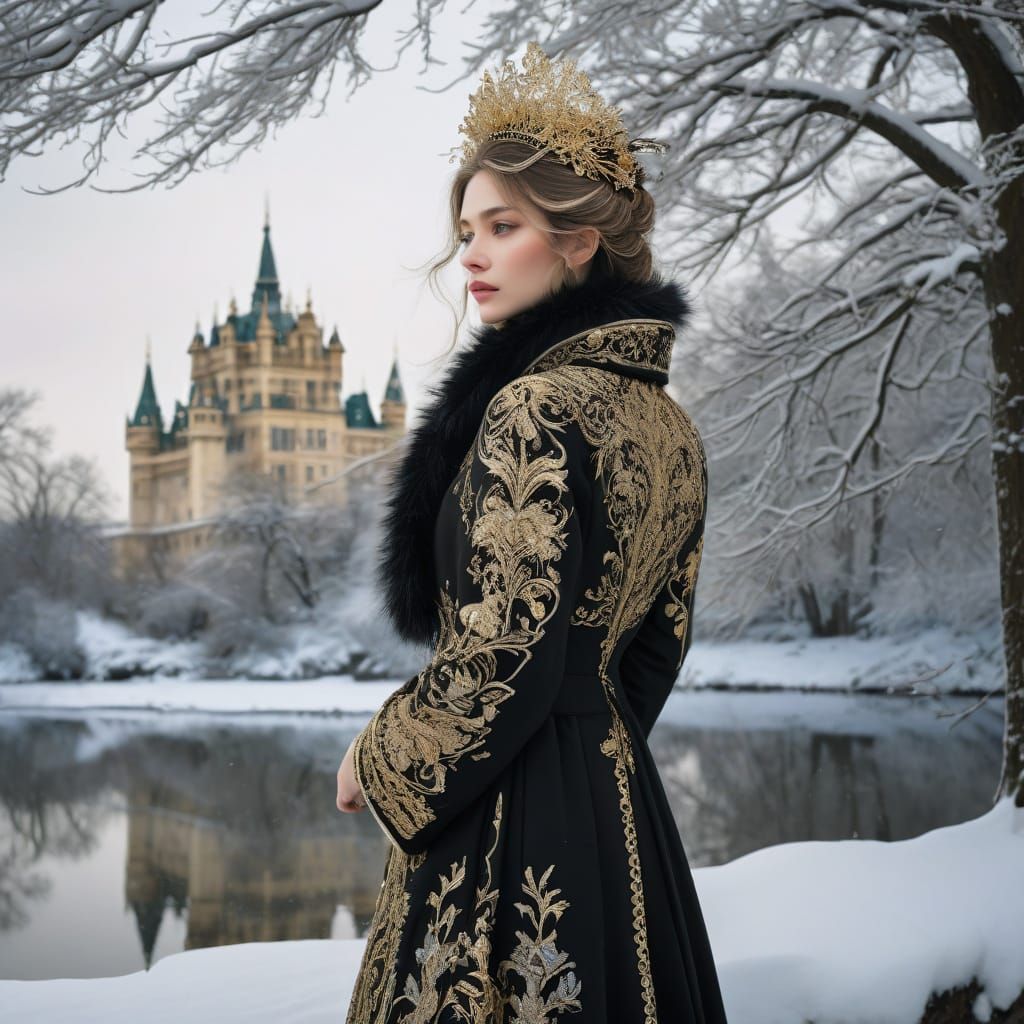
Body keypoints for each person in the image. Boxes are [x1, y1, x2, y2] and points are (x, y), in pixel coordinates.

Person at [336, 40, 728, 1024]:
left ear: (578, 240)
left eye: (501, 227)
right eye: (466, 229)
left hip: (505, 829)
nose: (469, 255)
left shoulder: (532, 408)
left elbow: (500, 657)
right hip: (619, 811)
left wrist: (379, 755)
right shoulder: (667, 425)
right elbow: (656, 651)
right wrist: (590, 763)